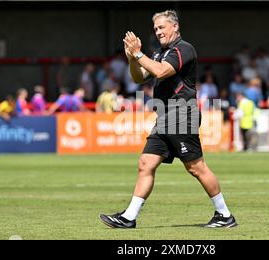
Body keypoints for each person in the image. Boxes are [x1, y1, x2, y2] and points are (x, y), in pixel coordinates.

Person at [100, 10, 237, 229]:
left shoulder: (184, 49)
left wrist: (138, 54)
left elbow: (162, 72)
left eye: (162, 27)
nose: (158, 32)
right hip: (165, 115)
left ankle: (224, 215)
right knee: (146, 163)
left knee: (195, 167)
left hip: (182, 113)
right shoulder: (157, 53)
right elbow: (138, 77)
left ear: (175, 27)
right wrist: (132, 58)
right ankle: (129, 217)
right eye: (155, 29)